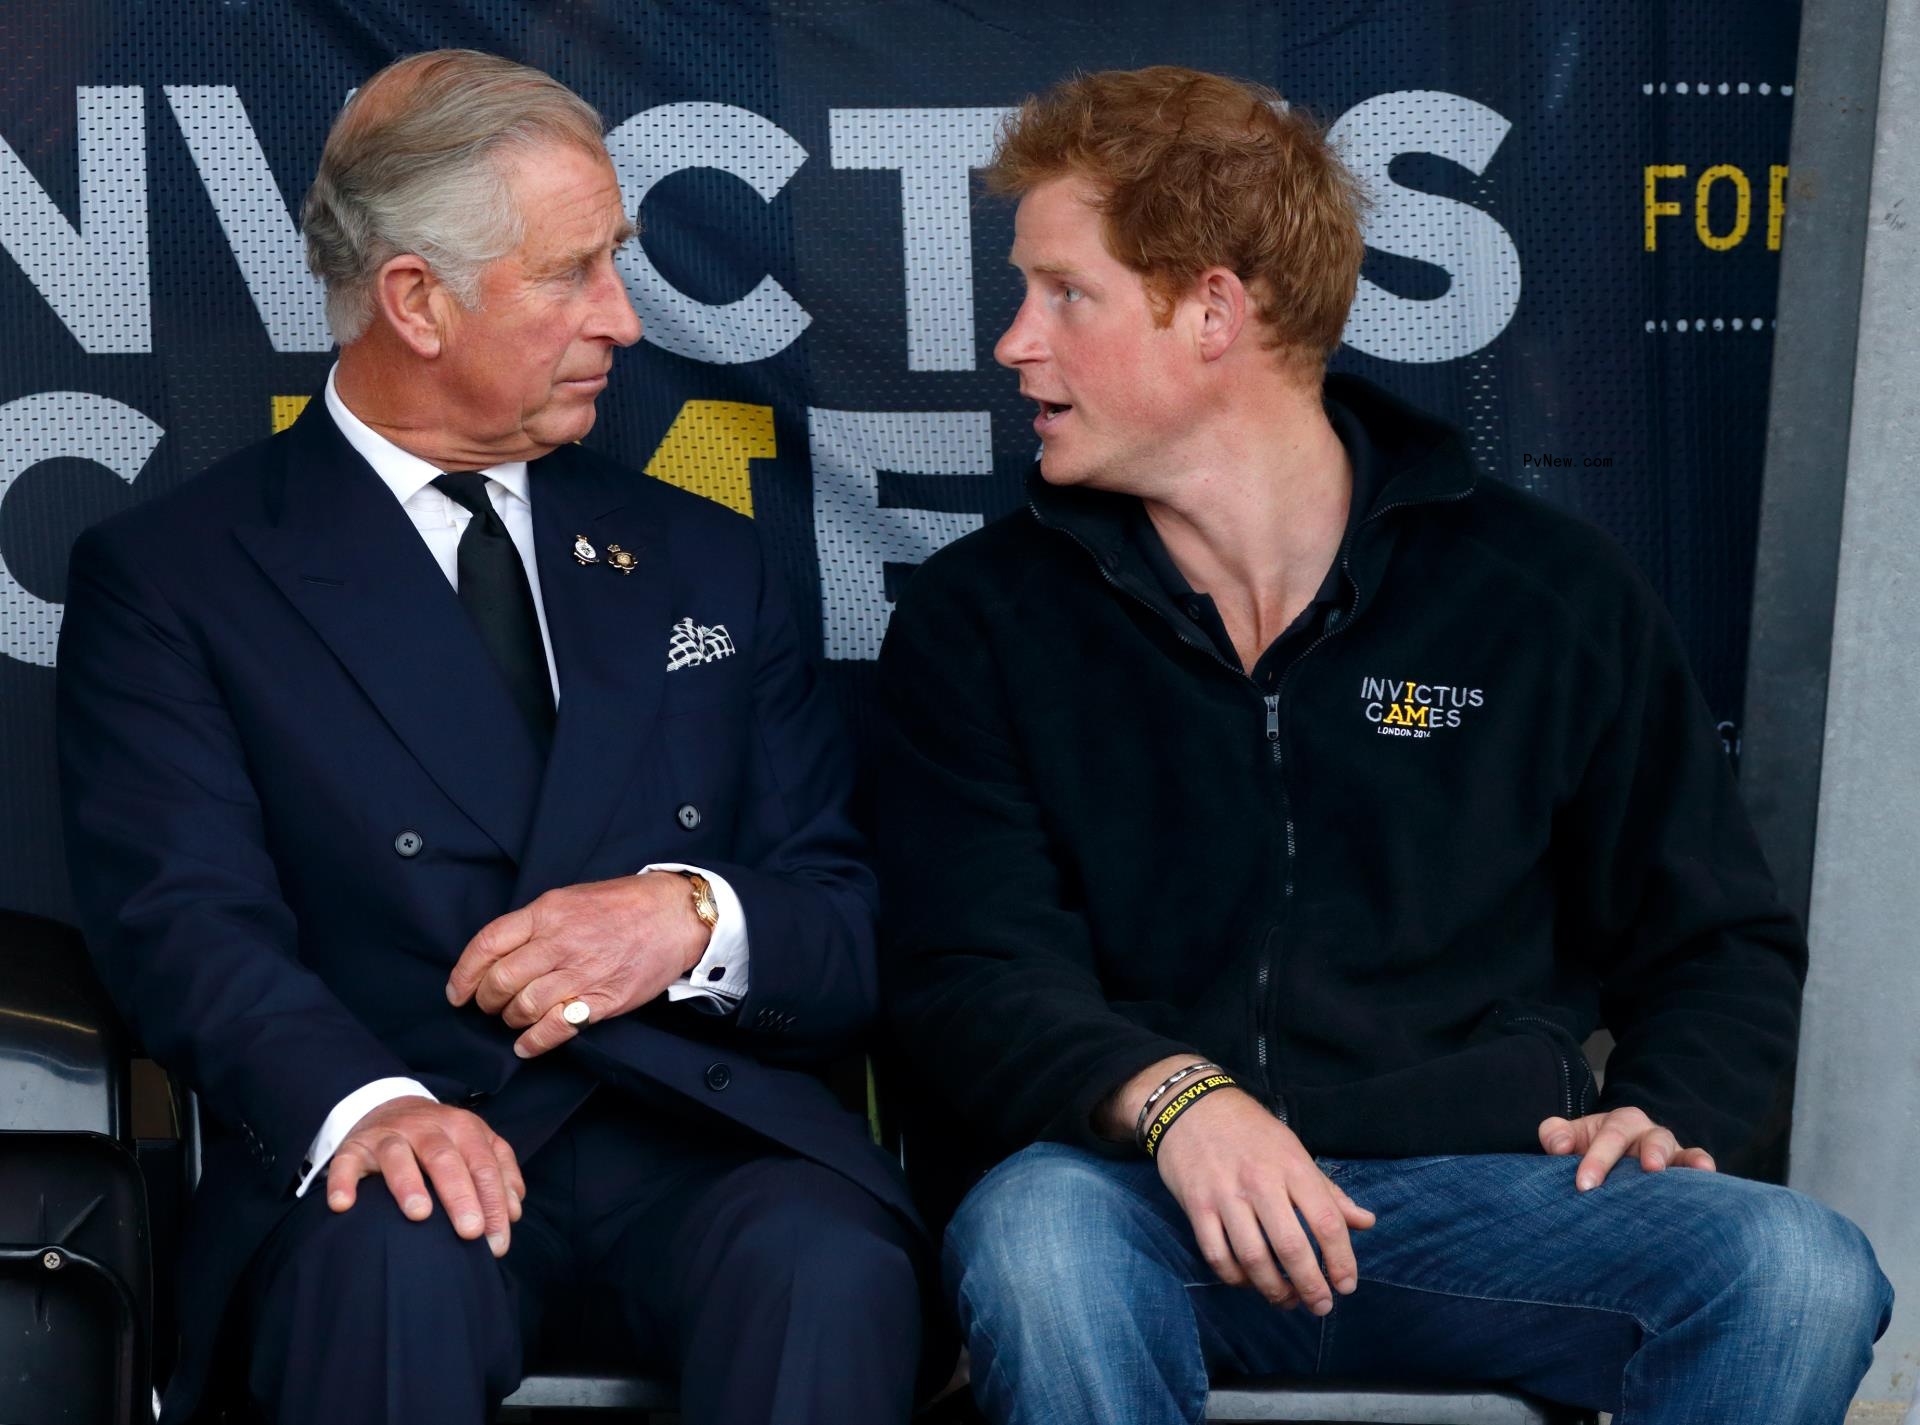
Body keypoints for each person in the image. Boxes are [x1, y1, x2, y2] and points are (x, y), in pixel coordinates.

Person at [875, 65, 1891, 1425]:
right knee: (1038, 1232)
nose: (1013, 342)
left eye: (1065, 293)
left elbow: (1717, 938)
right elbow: (964, 967)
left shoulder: (1542, 592)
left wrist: (1663, 1106)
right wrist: (1178, 1101)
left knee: (1799, 1270)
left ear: (1214, 311)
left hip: (1480, 1202)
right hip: (1138, 1199)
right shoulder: (977, 616)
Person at [59, 49, 930, 1425]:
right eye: (573, 272)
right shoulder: (179, 576)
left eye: (618, 263)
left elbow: (845, 918)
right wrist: (367, 1107)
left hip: (700, 1139)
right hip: (401, 1128)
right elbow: (184, 923)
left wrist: (689, 918)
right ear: (416, 299)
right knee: (395, 1258)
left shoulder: (707, 560)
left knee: (827, 1265)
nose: (625, 321)